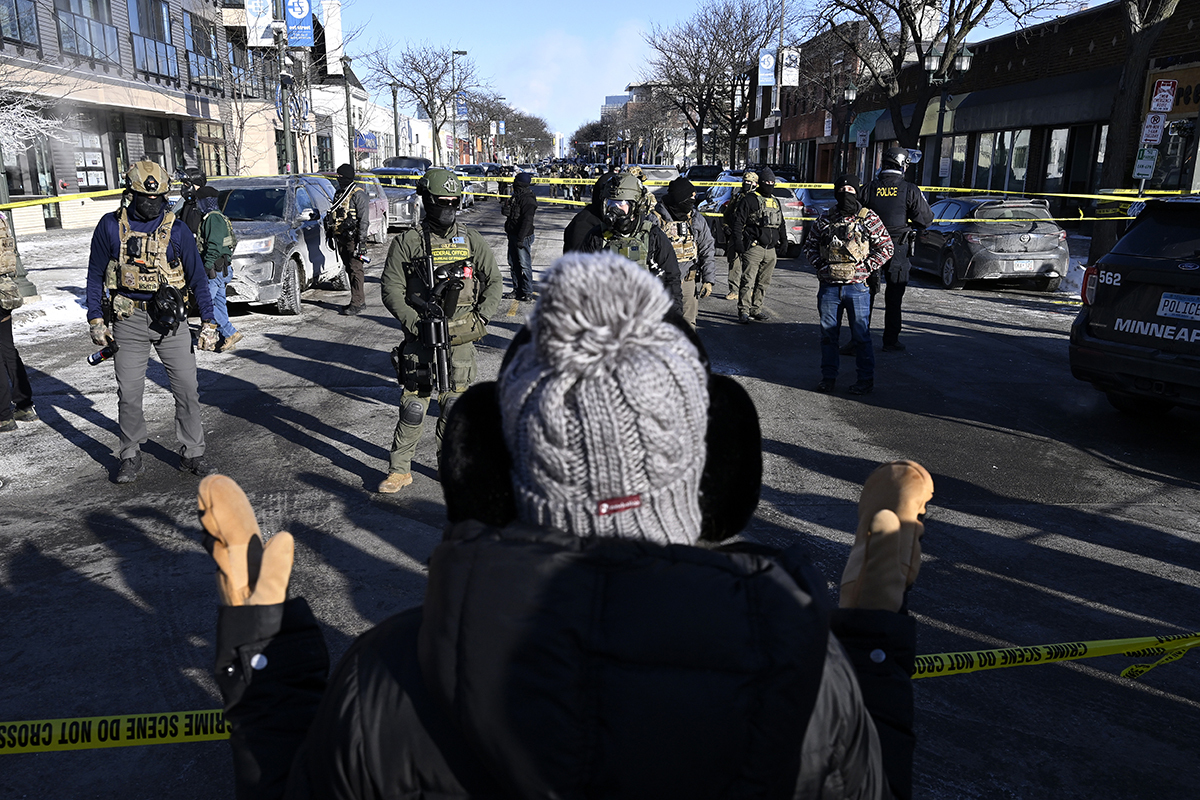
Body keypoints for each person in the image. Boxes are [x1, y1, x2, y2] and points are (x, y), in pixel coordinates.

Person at [199, 253, 933, 800]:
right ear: (712, 469)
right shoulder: (811, 679)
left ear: (490, 466)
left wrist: (266, 671)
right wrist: (870, 641)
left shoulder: (389, 676)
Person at [85, 161, 217, 483]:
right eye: (146, 197)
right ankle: (130, 454)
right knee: (129, 393)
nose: (153, 203)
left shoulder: (178, 230)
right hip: (128, 319)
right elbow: (94, 275)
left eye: (159, 198)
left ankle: (193, 452)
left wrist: (210, 322)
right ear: (131, 194)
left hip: (171, 322)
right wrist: (95, 319)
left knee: (187, 388)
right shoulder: (109, 227)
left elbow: (198, 279)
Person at [376, 167, 501, 494]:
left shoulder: (470, 240)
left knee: (454, 406)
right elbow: (391, 288)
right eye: (440, 202)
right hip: (421, 336)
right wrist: (414, 323)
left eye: (452, 202)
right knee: (414, 407)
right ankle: (399, 470)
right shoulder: (408, 242)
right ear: (426, 201)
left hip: (459, 336)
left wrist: (482, 318)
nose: (447, 209)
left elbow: (494, 281)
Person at [804, 175, 893, 396]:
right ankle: (828, 378)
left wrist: (866, 268)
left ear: (857, 192)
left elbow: (886, 247)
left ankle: (865, 380)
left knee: (861, 337)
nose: (846, 194)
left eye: (851, 190)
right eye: (842, 190)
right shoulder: (826, 218)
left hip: (857, 288)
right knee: (828, 336)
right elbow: (810, 246)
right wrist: (821, 266)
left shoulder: (868, 218)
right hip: (829, 288)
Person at [582, 173, 683, 315]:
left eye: (621, 204)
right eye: (610, 204)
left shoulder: (653, 236)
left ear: (636, 207)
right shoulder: (596, 237)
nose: (614, 209)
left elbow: (671, 279)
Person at [863, 147, 934, 352]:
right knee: (894, 297)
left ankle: (860, 338)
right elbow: (925, 220)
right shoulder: (909, 190)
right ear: (902, 165)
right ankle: (891, 340)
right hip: (897, 248)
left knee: (866, 295)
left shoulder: (868, 188)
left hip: (871, 247)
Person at [651, 176, 715, 328]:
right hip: (662, 283)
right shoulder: (655, 220)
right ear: (678, 199)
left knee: (688, 324)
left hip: (687, 281)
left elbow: (707, 247)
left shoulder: (695, 219)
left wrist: (708, 279)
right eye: (688, 199)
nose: (691, 203)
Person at [729, 166, 787, 324]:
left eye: (772, 183)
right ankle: (744, 311)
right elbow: (738, 222)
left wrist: (784, 240)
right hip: (754, 247)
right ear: (760, 183)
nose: (770, 185)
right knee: (748, 280)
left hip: (770, 250)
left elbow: (781, 223)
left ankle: (756, 309)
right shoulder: (750, 199)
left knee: (763, 282)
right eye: (766, 182)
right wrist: (738, 242)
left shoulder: (775, 201)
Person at [192, 186, 242, 353]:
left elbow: (214, 246)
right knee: (219, 304)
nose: (198, 205)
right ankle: (225, 338)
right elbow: (229, 243)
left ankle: (231, 333)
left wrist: (206, 267)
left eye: (199, 201)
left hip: (214, 270)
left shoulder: (213, 219)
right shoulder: (220, 217)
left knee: (207, 303)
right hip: (221, 268)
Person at [0, 212, 34, 431]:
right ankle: (24, 405)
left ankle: (3, 415)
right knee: (7, 349)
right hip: (5, 290)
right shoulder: (2, 219)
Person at [325, 164, 370, 316]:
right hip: (341, 237)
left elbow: (364, 220)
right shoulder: (339, 193)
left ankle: (357, 303)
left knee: (356, 269)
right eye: (337, 176)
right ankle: (358, 299)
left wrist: (362, 242)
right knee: (349, 269)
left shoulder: (358, 194)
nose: (338, 179)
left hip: (354, 239)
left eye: (340, 176)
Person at [722, 171, 759, 300]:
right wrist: (726, 226)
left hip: (750, 236)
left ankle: (749, 290)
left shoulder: (757, 199)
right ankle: (734, 290)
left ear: (755, 184)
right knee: (734, 263)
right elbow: (727, 213)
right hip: (735, 234)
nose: (746, 184)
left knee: (750, 265)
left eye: (749, 182)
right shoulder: (737, 197)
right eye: (745, 181)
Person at [503, 171, 537, 300]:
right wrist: (506, 211)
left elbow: (527, 221)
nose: (513, 183)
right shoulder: (515, 196)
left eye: (516, 181)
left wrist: (521, 238)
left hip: (523, 236)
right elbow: (512, 215)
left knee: (524, 265)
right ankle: (517, 290)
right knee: (513, 263)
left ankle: (527, 291)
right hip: (513, 234)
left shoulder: (528, 199)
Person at [562, 172, 616, 253]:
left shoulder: (615, 222)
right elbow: (577, 257)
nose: (618, 207)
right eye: (613, 202)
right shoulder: (583, 224)